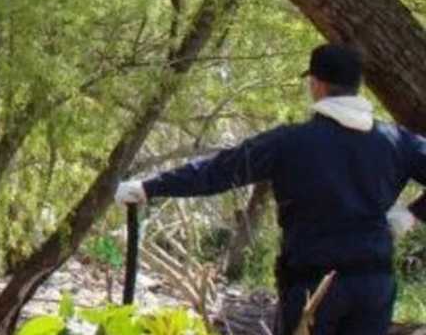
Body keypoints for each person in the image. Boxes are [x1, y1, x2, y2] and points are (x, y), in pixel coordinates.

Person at [116, 44, 425, 335]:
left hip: (314, 287)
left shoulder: (290, 142)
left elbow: (218, 172)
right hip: (373, 287)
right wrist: (409, 215)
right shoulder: (396, 142)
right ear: (357, 87)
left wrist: (149, 187)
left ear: (316, 85)